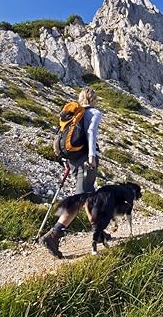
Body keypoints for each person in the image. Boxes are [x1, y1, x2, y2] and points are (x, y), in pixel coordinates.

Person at [41, 87, 102, 258]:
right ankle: (53, 235)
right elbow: (91, 133)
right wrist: (91, 156)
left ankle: (99, 231)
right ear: (94, 99)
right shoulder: (94, 113)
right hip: (85, 160)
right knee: (80, 197)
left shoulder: (73, 115)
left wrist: (67, 162)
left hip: (74, 160)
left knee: (88, 196)